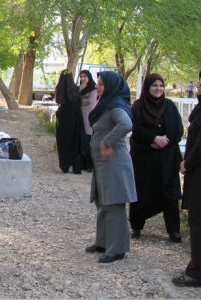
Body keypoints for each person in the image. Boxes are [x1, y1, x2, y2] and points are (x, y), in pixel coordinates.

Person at [84, 71, 136, 264]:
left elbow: (126, 124)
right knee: (102, 201)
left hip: (114, 162)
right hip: (102, 162)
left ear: (112, 87)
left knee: (114, 203)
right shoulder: (105, 104)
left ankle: (117, 249)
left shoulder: (116, 106)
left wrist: (106, 142)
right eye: (98, 84)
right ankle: (103, 242)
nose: (98, 87)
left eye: (101, 85)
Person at [129, 73, 183, 242]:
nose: (158, 89)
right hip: (145, 159)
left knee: (170, 195)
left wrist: (164, 141)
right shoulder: (138, 107)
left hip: (167, 158)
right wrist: (152, 139)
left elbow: (178, 130)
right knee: (142, 191)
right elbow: (135, 130)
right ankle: (137, 226)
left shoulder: (169, 106)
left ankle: (173, 230)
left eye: (161, 85)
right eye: (154, 85)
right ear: (147, 87)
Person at [172, 70, 201, 288]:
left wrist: (187, 163)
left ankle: (197, 273)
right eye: (198, 82)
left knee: (199, 220)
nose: (199, 86)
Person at [54, 70, 85, 174]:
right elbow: (78, 103)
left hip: (63, 118)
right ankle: (76, 167)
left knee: (63, 143)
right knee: (75, 142)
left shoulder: (59, 88)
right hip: (75, 119)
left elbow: (59, 102)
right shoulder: (75, 89)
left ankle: (64, 166)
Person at [79, 70, 97, 171]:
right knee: (82, 141)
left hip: (88, 117)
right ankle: (83, 164)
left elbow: (90, 101)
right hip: (81, 116)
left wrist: (79, 101)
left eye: (85, 76)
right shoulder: (81, 88)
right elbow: (76, 97)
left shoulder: (94, 88)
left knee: (88, 142)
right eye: (81, 77)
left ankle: (89, 165)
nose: (82, 79)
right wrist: (81, 89)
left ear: (89, 77)